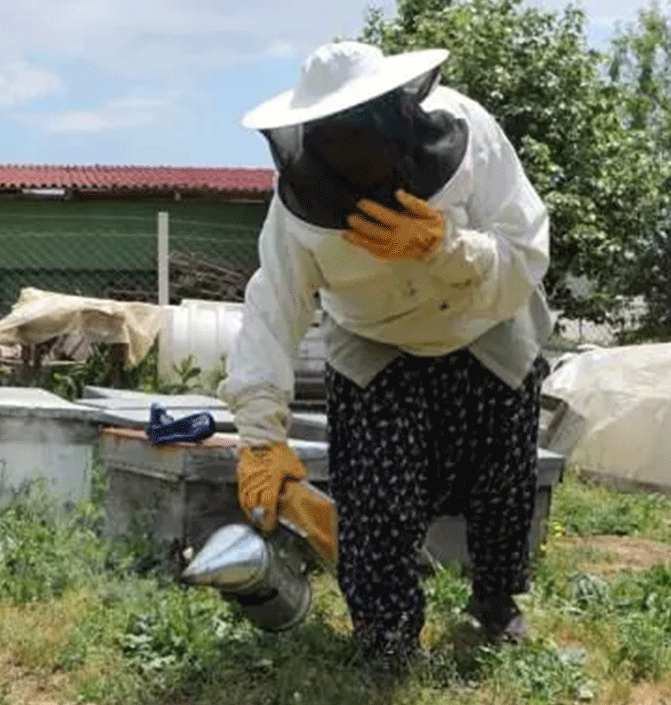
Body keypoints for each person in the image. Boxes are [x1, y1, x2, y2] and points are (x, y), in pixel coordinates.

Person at [217, 40, 553, 670]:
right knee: (376, 502)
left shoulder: (474, 136)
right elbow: (273, 304)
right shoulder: (297, 201)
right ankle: (387, 634)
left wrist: (447, 247)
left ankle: (495, 603)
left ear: (401, 114)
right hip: (373, 339)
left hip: (485, 318)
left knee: (503, 484)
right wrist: (260, 437)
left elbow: (527, 250)